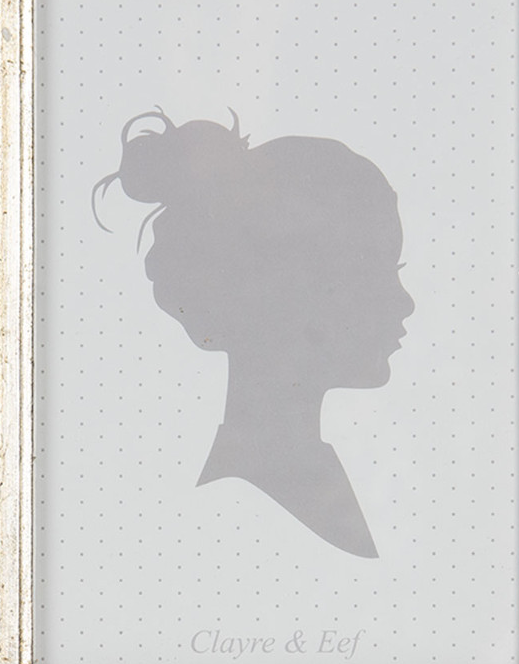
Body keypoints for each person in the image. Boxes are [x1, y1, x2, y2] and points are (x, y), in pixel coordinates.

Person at [93, 108, 413, 558]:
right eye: (370, 273)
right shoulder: (245, 505)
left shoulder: (293, 476)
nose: (405, 303)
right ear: (283, 288)